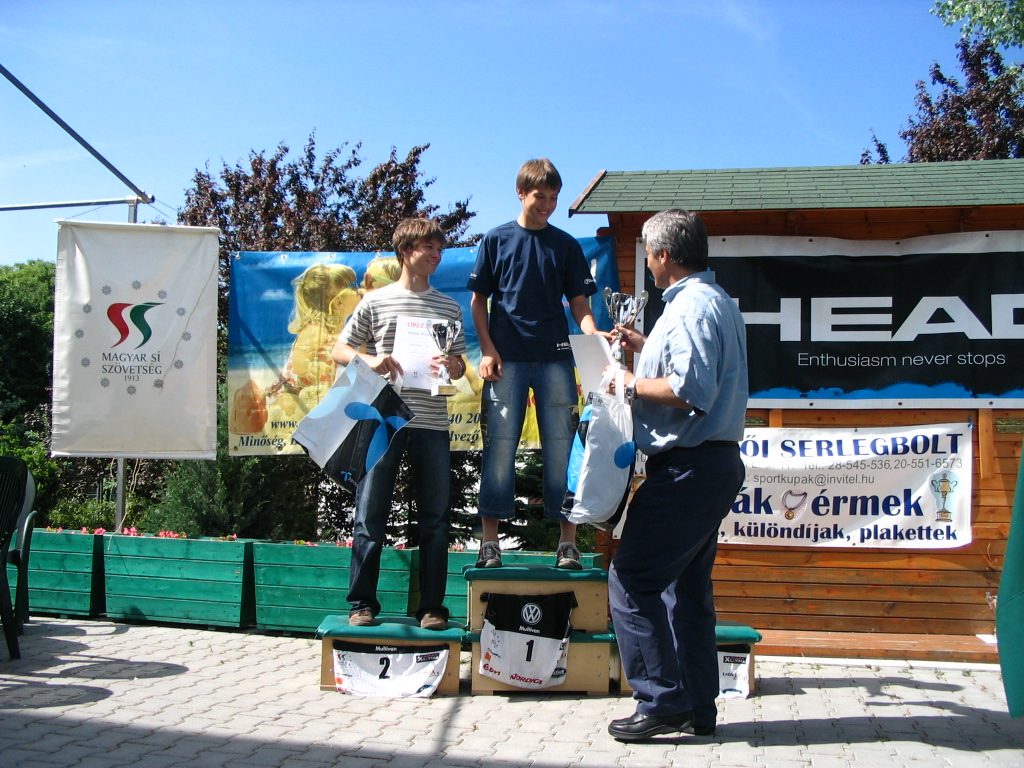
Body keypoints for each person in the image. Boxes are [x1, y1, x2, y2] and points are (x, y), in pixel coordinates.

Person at [605, 209, 748, 742]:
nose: (646, 259)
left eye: (647, 250)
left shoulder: (689, 309)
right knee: (686, 592)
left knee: (632, 579)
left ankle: (662, 701)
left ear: (663, 255)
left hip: (688, 466)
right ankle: (698, 709)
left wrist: (626, 382)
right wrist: (645, 350)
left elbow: (692, 390)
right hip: (710, 464)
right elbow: (695, 371)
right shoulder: (713, 302)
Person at [331, 218, 468, 631]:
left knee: (435, 517)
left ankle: (431, 608)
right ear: (406, 250)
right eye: (427, 247)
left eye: (439, 249)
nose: (435, 255)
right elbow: (339, 349)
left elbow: (460, 366)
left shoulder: (449, 306)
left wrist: (453, 364)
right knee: (370, 512)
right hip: (383, 416)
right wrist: (370, 360)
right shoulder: (375, 302)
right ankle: (361, 603)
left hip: (432, 420)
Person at [468, 158, 604, 570]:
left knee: (564, 450)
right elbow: (478, 301)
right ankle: (489, 543)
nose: (547, 204)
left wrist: (593, 333)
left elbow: (580, 305)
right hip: (507, 361)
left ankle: (567, 543)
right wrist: (488, 349)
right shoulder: (495, 240)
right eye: (539, 196)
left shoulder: (566, 246)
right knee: (499, 448)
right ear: (521, 193)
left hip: (556, 360)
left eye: (553, 198)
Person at [266, 263, 360, 417]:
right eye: (354, 287)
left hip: (315, 397)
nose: (359, 291)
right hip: (293, 397)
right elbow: (299, 362)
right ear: (338, 302)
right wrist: (307, 372)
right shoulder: (315, 329)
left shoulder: (339, 331)